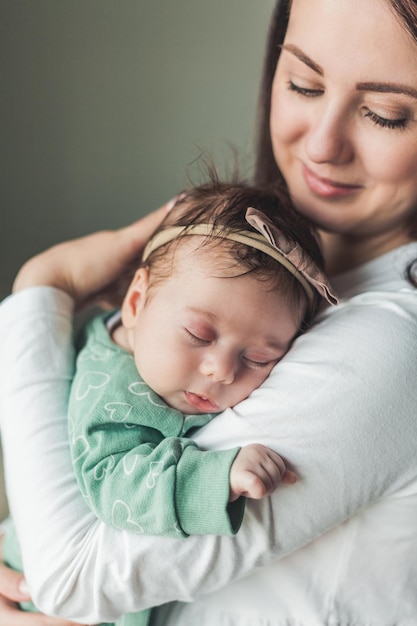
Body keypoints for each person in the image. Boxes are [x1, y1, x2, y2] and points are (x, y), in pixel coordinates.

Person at [1, 0, 417, 624]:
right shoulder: (243, 289)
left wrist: (43, 284)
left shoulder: (389, 342)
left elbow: (71, 573)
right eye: (303, 82)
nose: (323, 143)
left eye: (387, 115)